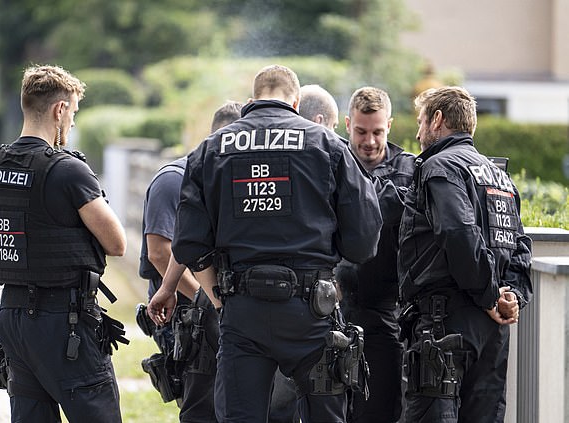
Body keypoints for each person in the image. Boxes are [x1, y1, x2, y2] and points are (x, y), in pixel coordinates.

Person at [169, 64, 384, 422]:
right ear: (296, 101)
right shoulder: (326, 144)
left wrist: (220, 299)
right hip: (312, 313)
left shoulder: (210, 150)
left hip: (242, 312)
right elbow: (364, 240)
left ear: (252, 100)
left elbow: (188, 244)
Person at [0, 65, 127, 422]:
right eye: (73, 112)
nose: (73, 124)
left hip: (12, 317)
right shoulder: (67, 170)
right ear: (59, 110)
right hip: (63, 323)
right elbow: (117, 242)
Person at [397, 86, 532, 422]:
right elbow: (520, 246)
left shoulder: (439, 167)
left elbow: (458, 233)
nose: (417, 132)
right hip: (493, 333)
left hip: (446, 325)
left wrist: (488, 297)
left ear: (437, 119)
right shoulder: (499, 176)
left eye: (420, 121)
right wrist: (510, 295)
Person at [139, 100, 243, 423]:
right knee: (203, 408)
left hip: (217, 312)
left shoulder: (222, 181)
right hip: (189, 315)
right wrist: (209, 300)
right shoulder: (175, 179)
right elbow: (159, 252)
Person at [335, 86, 415, 423]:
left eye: (378, 132)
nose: (369, 141)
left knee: (380, 407)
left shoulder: (410, 170)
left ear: (390, 126)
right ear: (347, 123)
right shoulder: (330, 161)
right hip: (332, 311)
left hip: (385, 312)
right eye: (361, 131)